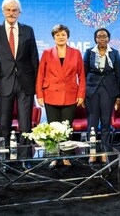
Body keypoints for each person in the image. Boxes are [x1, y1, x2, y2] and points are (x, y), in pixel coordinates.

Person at [0, 0, 39, 162]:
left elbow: (34, 58)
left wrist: (37, 84)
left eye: (15, 10)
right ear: (3, 11)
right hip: (3, 83)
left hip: (25, 83)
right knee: (4, 125)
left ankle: (25, 159)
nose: (11, 13)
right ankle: (4, 159)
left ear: (19, 12)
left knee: (25, 125)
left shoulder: (28, 30)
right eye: (8, 10)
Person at [36, 24, 86, 168]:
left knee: (66, 128)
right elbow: (40, 75)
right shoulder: (47, 52)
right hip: (50, 94)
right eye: (57, 35)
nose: (60, 37)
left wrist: (81, 94)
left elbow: (81, 76)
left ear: (67, 36)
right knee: (53, 129)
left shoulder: (76, 53)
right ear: (53, 37)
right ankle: (54, 157)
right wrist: (39, 94)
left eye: (63, 34)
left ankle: (66, 157)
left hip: (70, 94)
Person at [83, 28, 120, 164]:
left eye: (105, 36)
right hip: (91, 91)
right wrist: (82, 94)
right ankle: (92, 152)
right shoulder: (89, 53)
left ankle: (104, 152)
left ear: (109, 39)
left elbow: (118, 75)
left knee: (106, 122)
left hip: (108, 91)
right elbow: (83, 74)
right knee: (92, 123)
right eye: (99, 37)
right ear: (95, 39)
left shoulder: (115, 53)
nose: (102, 39)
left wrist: (119, 95)